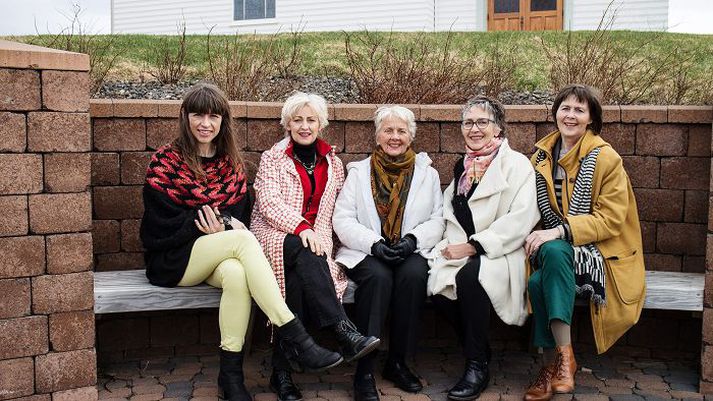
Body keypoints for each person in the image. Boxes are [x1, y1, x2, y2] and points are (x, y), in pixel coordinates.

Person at [139, 83, 344, 401]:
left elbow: (238, 215)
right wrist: (209, 225)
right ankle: (295, 334)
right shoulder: (165, 162)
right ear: (185, 117)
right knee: (243, 241)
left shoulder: (229, 164)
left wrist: (222, 226)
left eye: (213, 116)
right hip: (173, 259)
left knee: (236, 274)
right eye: (198, 115)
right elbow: (157, 226)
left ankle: (231, 378)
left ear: (223, 120)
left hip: (217, 257)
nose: (205, 123)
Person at [251, 92, 380, 401]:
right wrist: (301, 228)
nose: (304, 126)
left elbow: (331, 213)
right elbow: (267, 202)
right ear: (287, 124)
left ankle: (281, 374)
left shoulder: (333, 164)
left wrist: (319, 239)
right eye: (298, 120)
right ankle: (341, 330)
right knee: (302, 251)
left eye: (311, 120)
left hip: (312, 243)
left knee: (295, 278)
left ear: (321, 124)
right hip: (271, 234)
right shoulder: (273, 158)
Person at [523, 84, 645, 401]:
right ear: (555, 113)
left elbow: (611, 220)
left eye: (579, 109)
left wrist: (558, 232)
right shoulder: (540, 157)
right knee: (538, 280)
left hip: (600, 254)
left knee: (548, 258)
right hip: (558, 256)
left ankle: (555, 363)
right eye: (565, 108)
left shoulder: (606, 159)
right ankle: (560, 365)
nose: (571, 115)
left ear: (591, 118)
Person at [427, 96, 540, 401]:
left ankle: (476, 366)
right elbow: (452, 214)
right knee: (436, 286)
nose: (474, 129)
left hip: (502, 252)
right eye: (468, 122)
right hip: (461, 248)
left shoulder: (517, 165)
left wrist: (474, 247)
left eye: (482, 122)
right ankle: (480, 350)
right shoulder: (462, 167)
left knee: (469, 279)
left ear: (498, 128)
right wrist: (452, 246)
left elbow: (522, 218)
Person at [333, 105, 445, 401]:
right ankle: (364, 369)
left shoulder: (428, 174)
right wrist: (373, 244)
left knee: (413, 275)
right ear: (378, 135)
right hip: (366, 252)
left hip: (410, 249)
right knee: (379, 278)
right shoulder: (358, 172)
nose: (394, 137)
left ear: (411, 137)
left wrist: (412, 240)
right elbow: (342, 219)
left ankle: (398, 362)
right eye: (388, 130)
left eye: (401, 131)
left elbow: (437, 219)